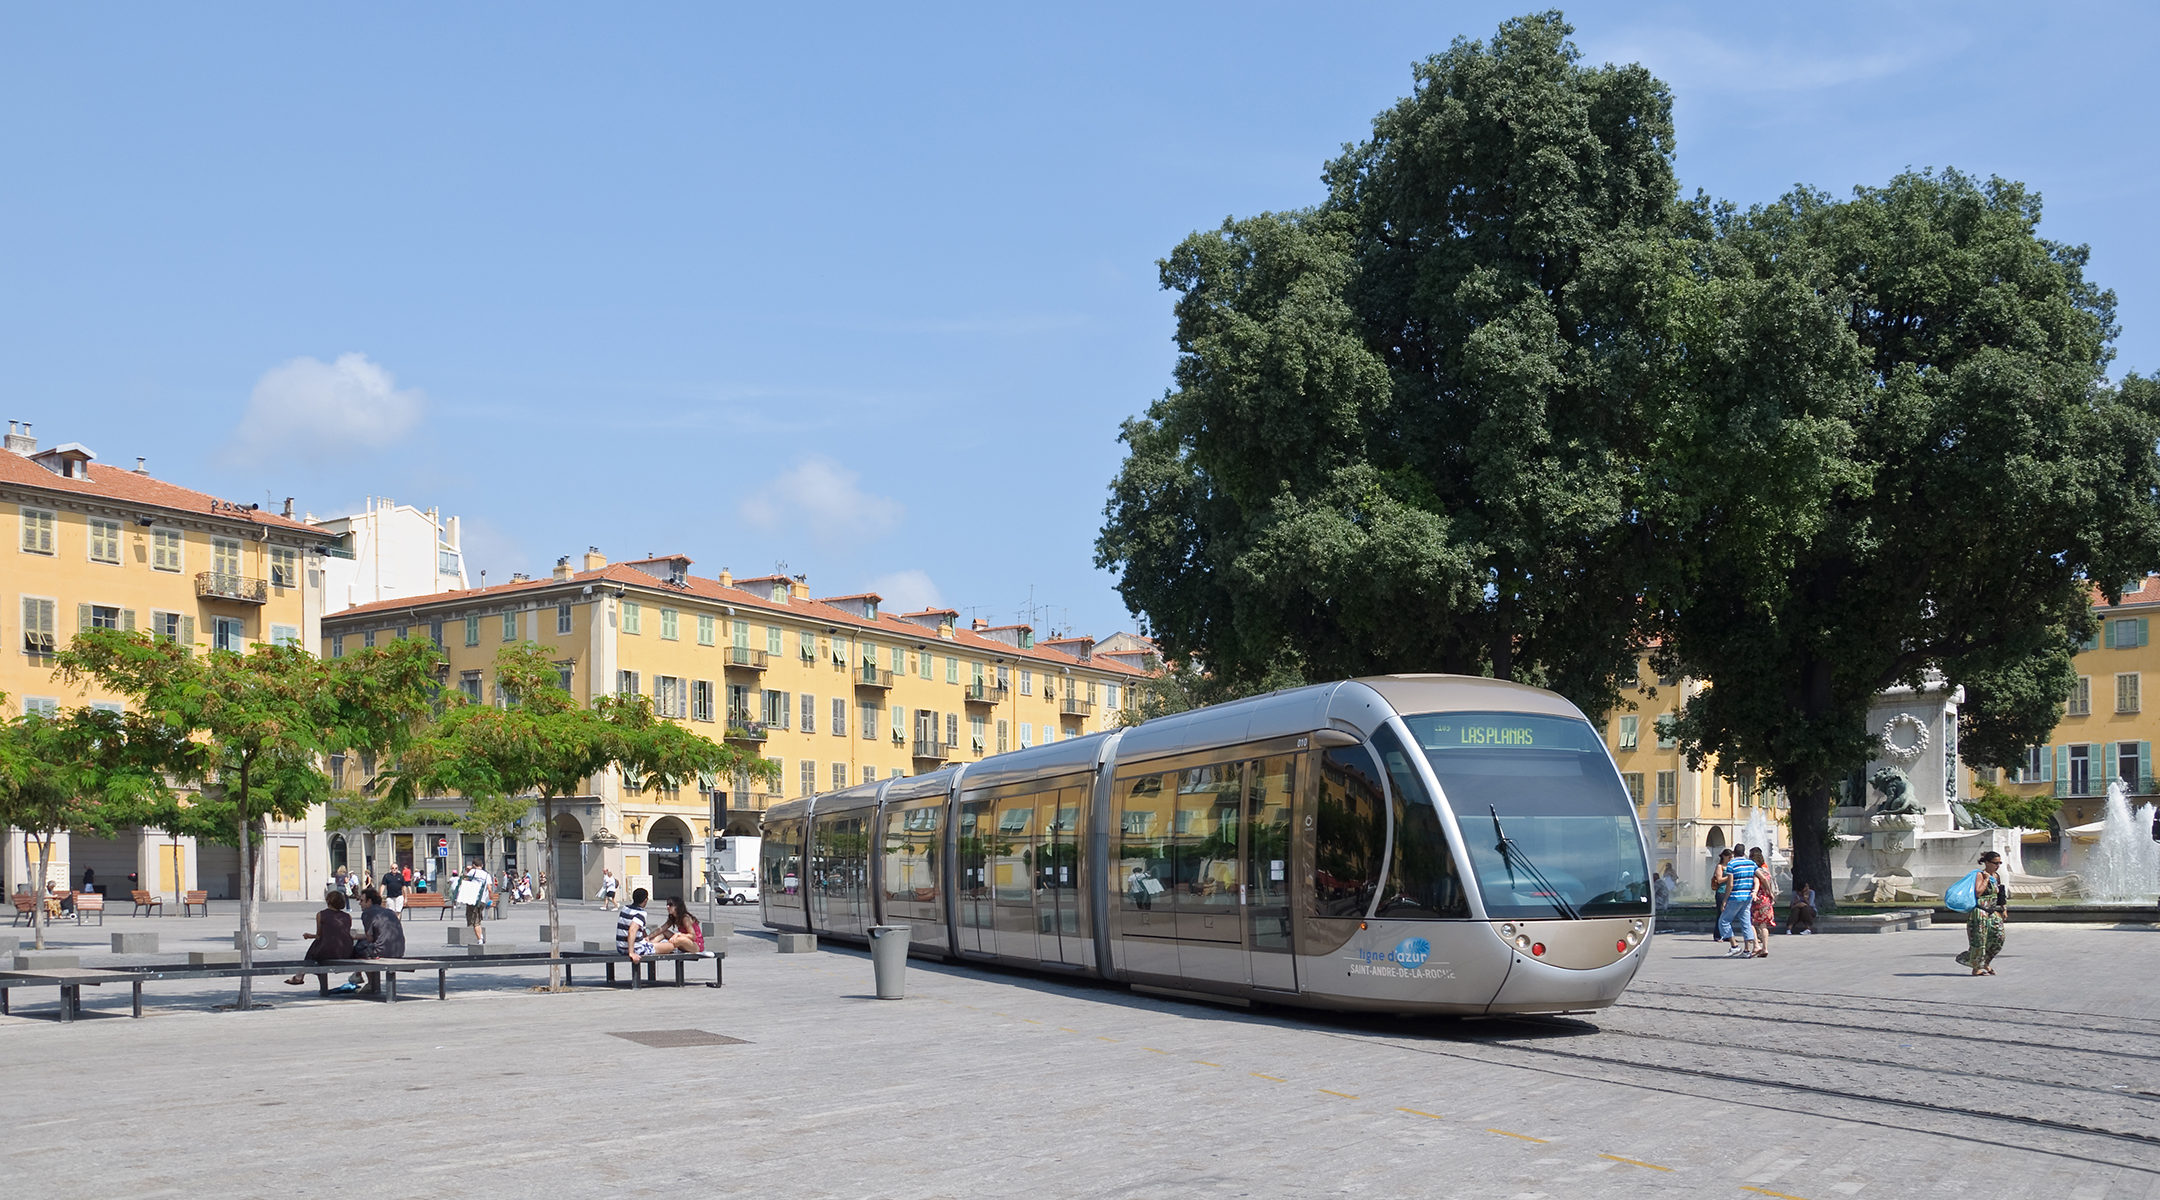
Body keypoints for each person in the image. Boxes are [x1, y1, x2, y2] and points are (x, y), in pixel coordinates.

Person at [287, 890, 355, 989]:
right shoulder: (348, 916)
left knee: (316, 946)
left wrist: (309, 935)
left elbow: (319, 935)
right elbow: (342, 934)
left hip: (328, 953)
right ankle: (300, 975)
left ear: (328, 901)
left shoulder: (321, 914)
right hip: (345, 951)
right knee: (319, 946)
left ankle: (300, 975)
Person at [1957, 851, 2008, 975]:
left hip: (1992, 911)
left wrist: (2004, 908)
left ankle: (1985, 962)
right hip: (1980, 911)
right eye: (1995, 863)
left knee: (1999, 937)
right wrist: (1986, 879)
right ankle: (1976, 968)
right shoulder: (1979, 875)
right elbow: (1978, 892)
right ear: (1986, 862)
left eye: (1999, 863)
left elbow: (2000, 893)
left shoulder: (1996, 876)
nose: (1998, 865)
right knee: (1980, 940)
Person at [352, 886, 406, 995]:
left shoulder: (367, 913)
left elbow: (370, 938)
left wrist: (356, 936)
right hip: (399, 950)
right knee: (365, 945)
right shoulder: (390, 912)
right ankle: (360, 976)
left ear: (369, 901)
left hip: (382, 951)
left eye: (362, 900)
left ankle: (369, 982)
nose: (360, 903)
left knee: (359, 947)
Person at [1720, 846, 1759, 958]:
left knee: (1724, 920)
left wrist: (1725, 899)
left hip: (1735, 896)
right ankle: (1747, 950)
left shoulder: (1731, 864)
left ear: (1734, 853)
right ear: (1744, 852)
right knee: (1746, 922)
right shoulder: (1751, 863)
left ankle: (1734, 946)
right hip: (1747, 897)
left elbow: (1730, 884)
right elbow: (1759, 876)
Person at [1748, 847, 1777, 956]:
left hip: (1758, 899)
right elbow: (1768, 881)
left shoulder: (1755, 871)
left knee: (1750, 922)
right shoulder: (1766, 870)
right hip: (1767, 900)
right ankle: (1765, 948)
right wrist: (1770, 894)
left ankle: (1756, 945)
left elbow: (1758, 882)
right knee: (1763, 924)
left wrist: (1755, 892)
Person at [616, 887, 657, 962]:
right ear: (645, 900)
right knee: (670, 946)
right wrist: (631, 952)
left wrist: (645, 936)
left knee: (655, 941)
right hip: (635, 949)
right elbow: (632, 930)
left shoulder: (625, 908)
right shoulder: (641, 913)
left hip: (621, 948)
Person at [457, 860, 491, 946]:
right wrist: (490, 899)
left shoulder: (472, 872)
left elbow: (463, 880)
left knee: (474, 921)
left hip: (473, 899)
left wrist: (467, 870)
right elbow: (489, 889)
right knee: (477, 919)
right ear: (482, 865)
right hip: (482, 900)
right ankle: (481, 936)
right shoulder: (487, 875)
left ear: (473, 865)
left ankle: (480, 939)